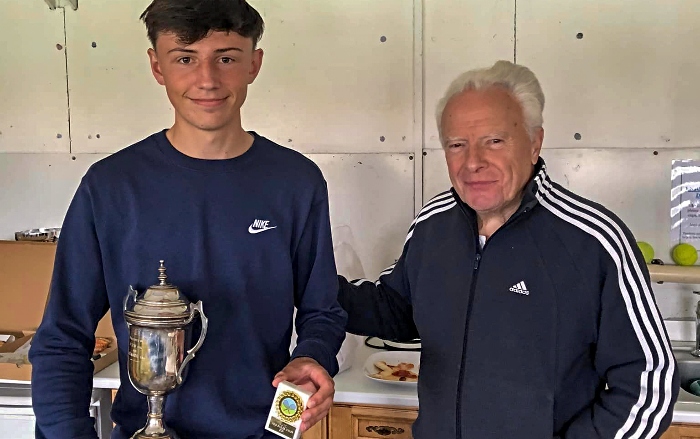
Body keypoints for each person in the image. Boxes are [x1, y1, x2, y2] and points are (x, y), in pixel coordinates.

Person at [28, 1, 347, 437]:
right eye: (185, 58)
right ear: (157, 67)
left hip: (267, 431)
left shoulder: (296, 181)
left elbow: (322, 310)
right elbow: (62, 338)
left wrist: (314, 354)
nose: (207, 80)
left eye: (227, 58)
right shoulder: (111, 186)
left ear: (254, 63)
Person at [338, 60, 679, 438]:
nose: (473, 162)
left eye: (494, 141)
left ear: (534, 143)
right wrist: (302, 279)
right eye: (457, 145)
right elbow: (396, 311)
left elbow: (650, 382)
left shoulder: (594, 239)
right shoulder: (433, 224)